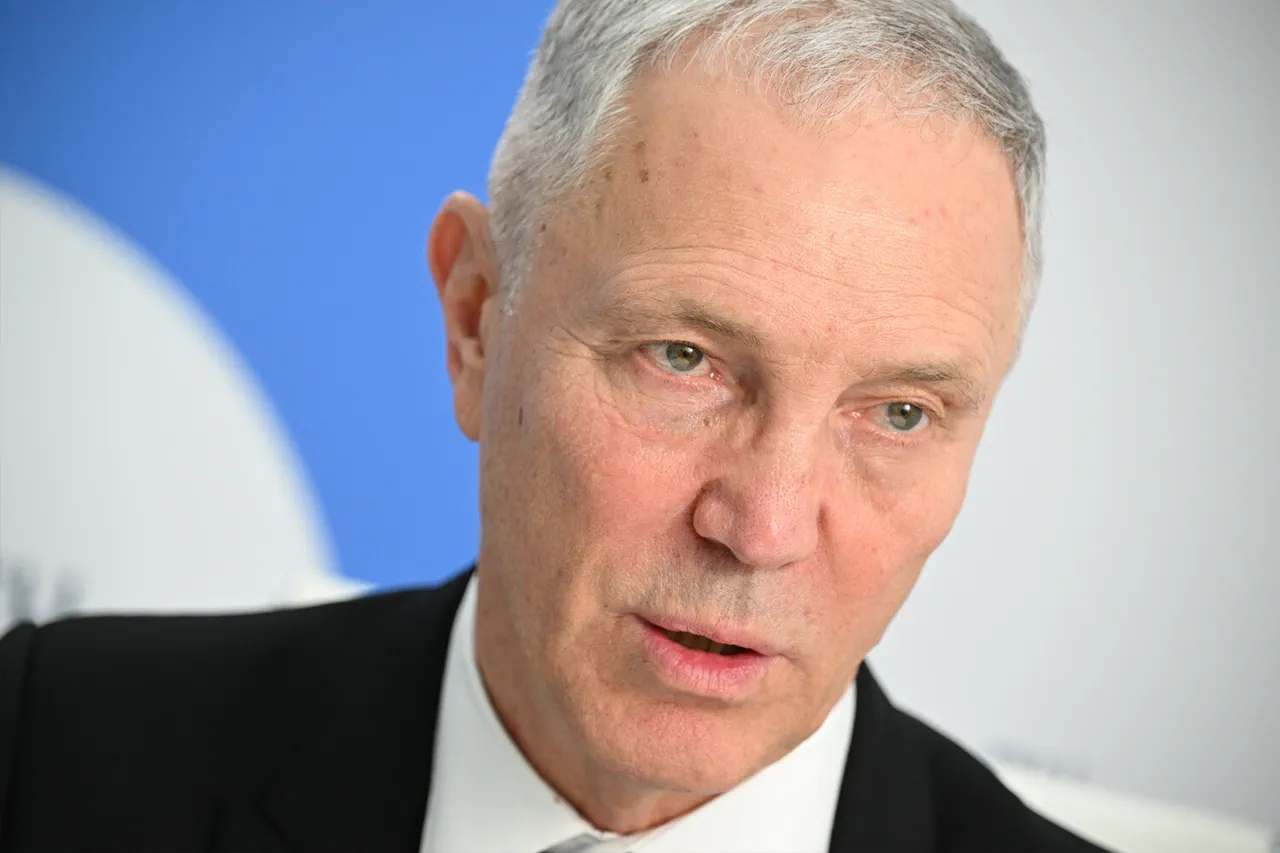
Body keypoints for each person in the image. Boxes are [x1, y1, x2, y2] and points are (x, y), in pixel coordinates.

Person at [0, 1, 1111, 851]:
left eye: (900, 413)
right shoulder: (53, 749)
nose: (763, 528)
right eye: (684, 358)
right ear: (476, 319)